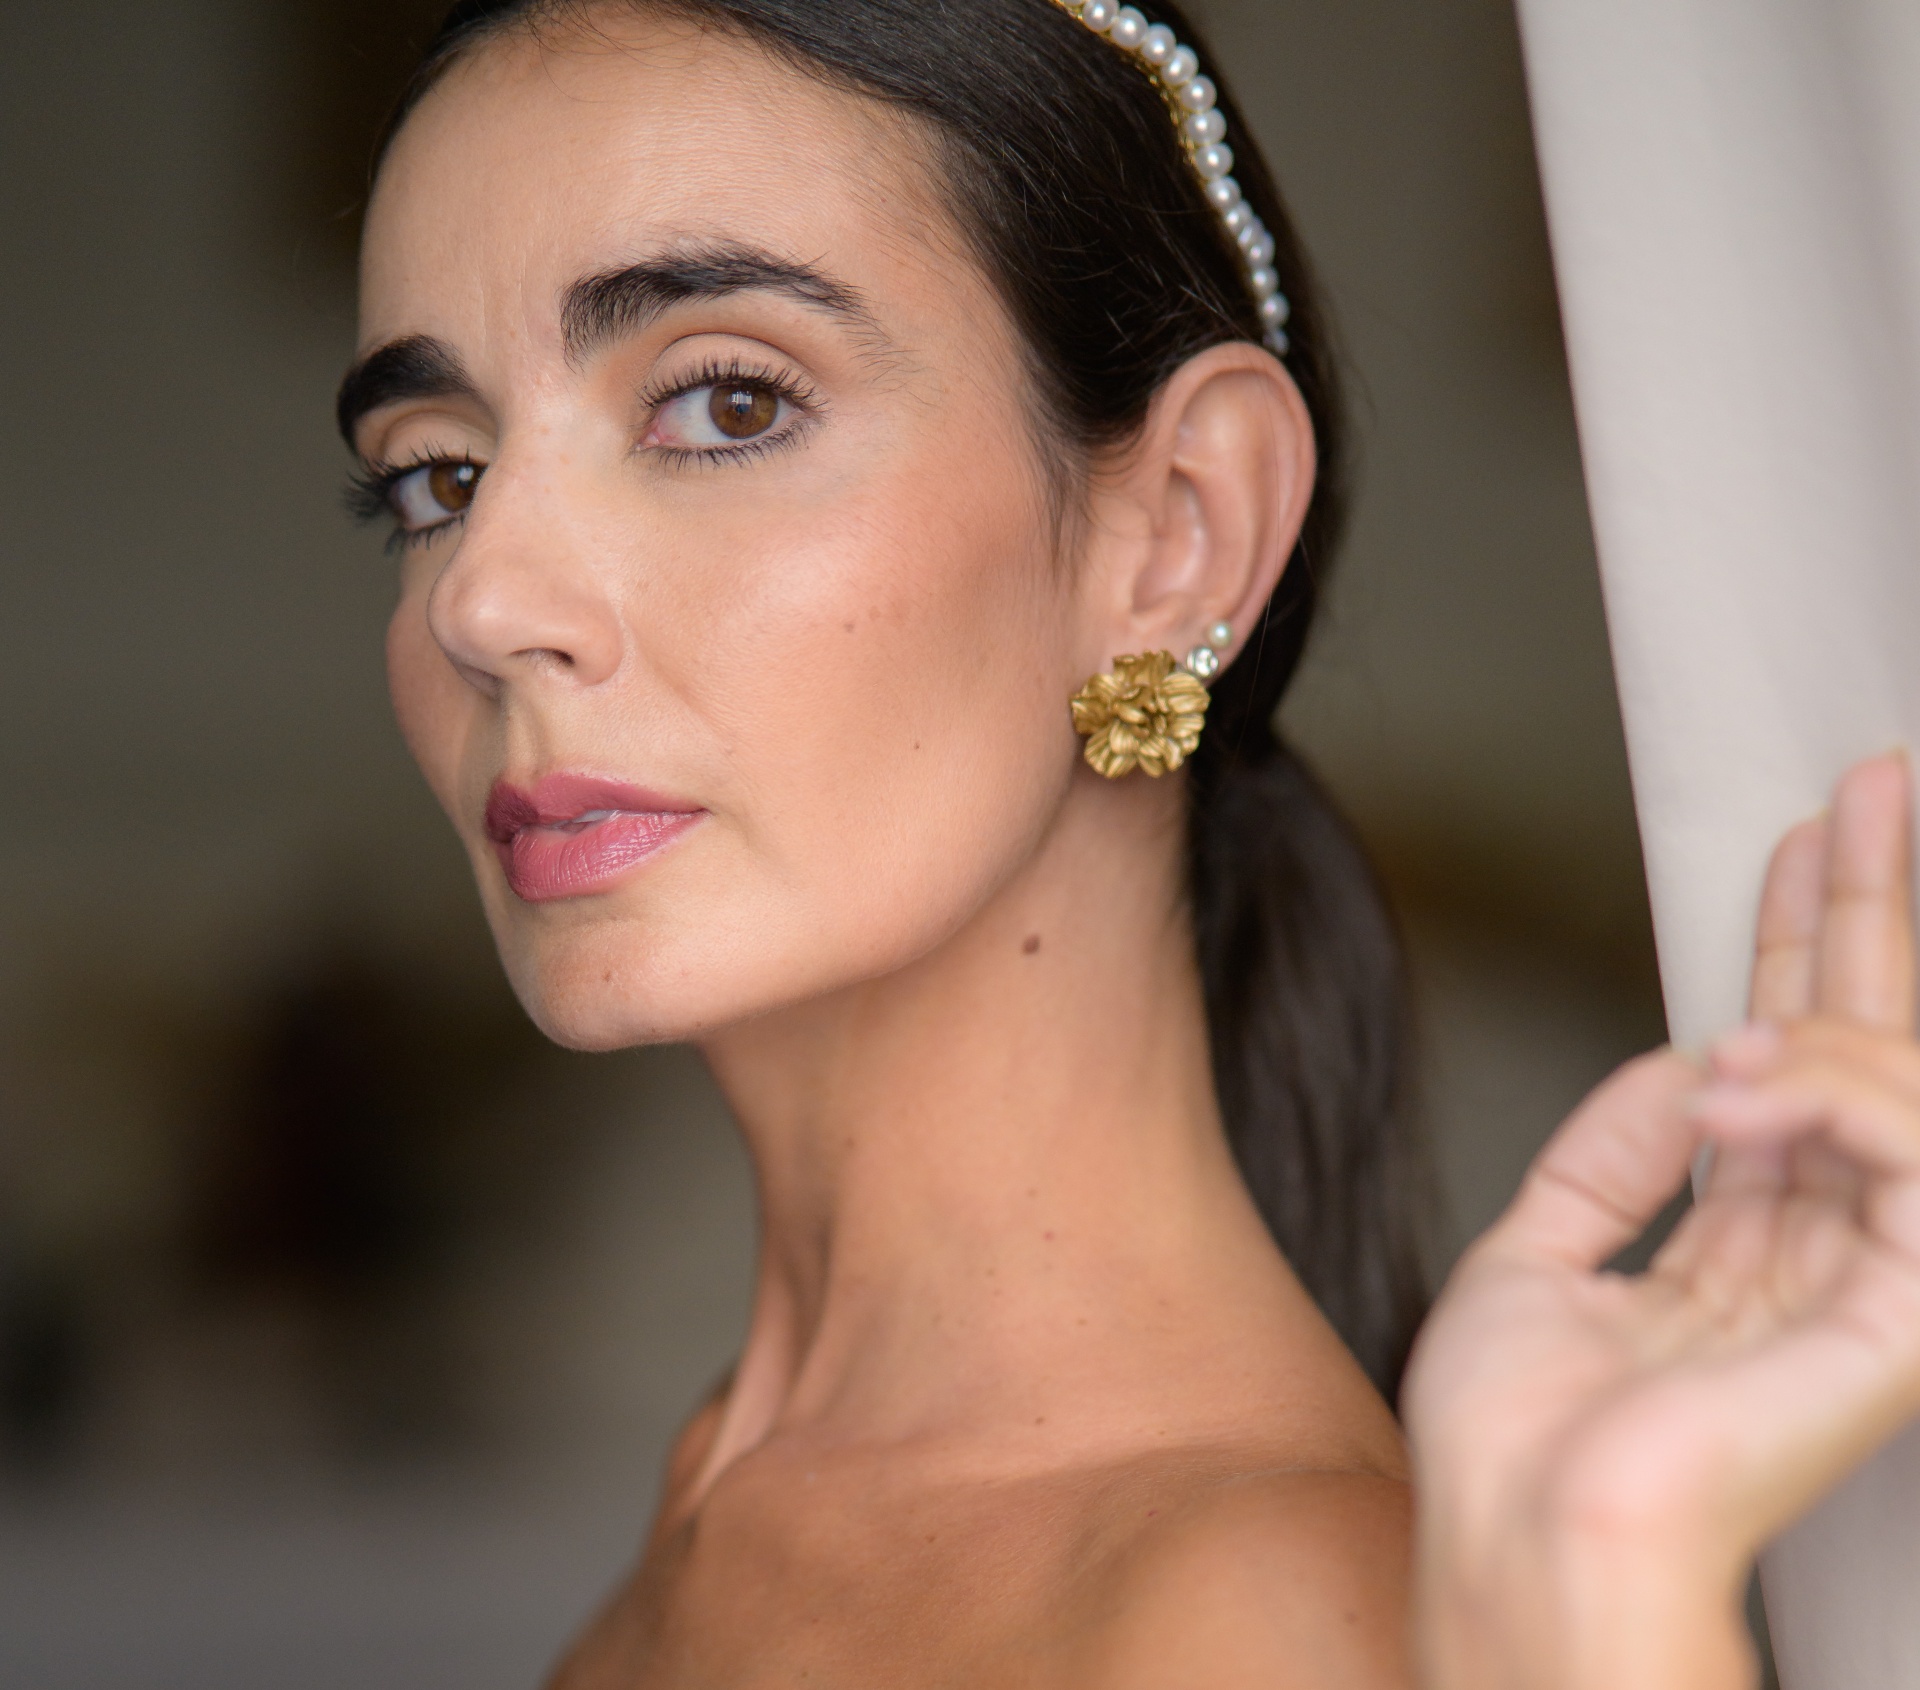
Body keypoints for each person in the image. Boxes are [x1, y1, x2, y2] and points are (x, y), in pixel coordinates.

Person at [339, 1, 1920, 1683]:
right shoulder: (745, 1477)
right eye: (437, 477)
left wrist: (1611, 1588)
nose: (484, 600)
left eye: (724, 405)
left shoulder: (1263, 1607)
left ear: (1180, 532)